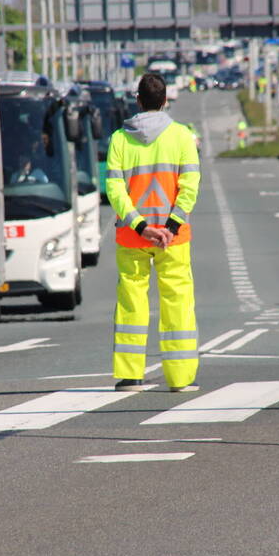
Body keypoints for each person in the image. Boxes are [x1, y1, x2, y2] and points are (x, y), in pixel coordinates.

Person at [106, 72, 201, 393]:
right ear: (165, 100)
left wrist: (141, 226)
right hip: (174, 239)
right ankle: (180, 378)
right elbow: (190, 187)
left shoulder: (120, 139)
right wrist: (170, 226)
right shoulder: (182, 137)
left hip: (133, 237)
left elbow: (115, 190)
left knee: (131, 302)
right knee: (177, 301)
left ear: (137, 100)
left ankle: (130, 376)